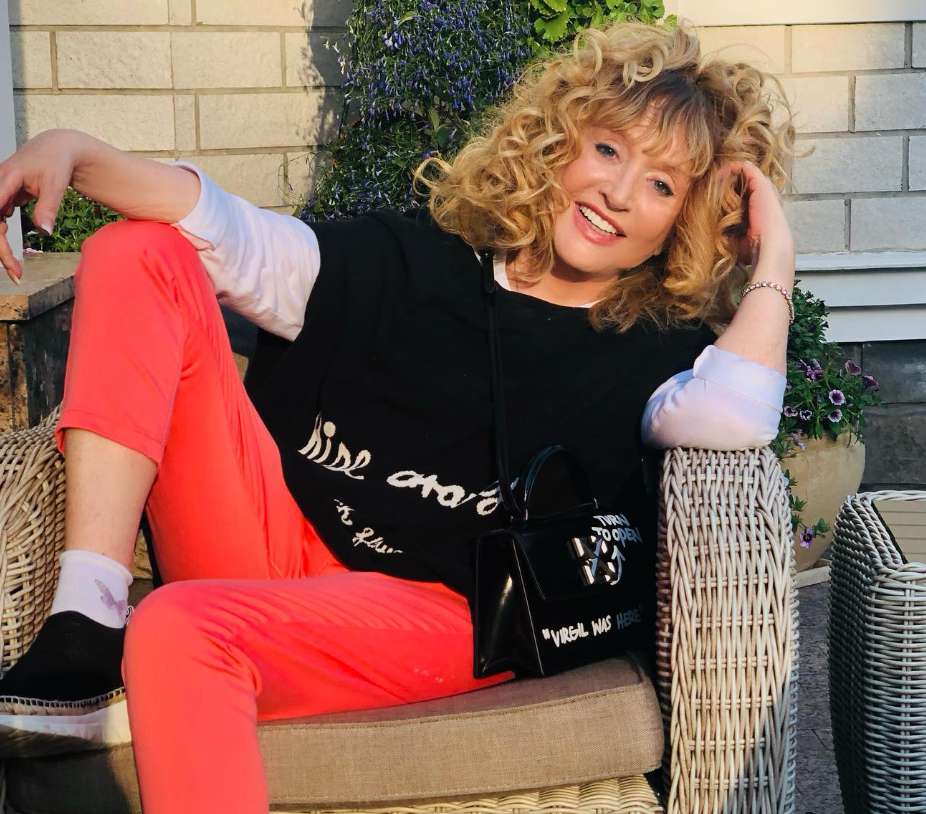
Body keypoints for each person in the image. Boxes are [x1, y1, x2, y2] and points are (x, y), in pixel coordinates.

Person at [0, 21, 794, 813]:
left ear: (685, 220)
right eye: (609, 150)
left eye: (662, 186)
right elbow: (238, 238)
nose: (619, 193)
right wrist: (80, 153)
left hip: (450, 613)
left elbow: (739, 414)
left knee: (180, 627)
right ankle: (86, 615)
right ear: (559, 141)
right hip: (278, 549)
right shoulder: (421, 257)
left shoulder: (655, 348)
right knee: (136, 252)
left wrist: (776, 257)